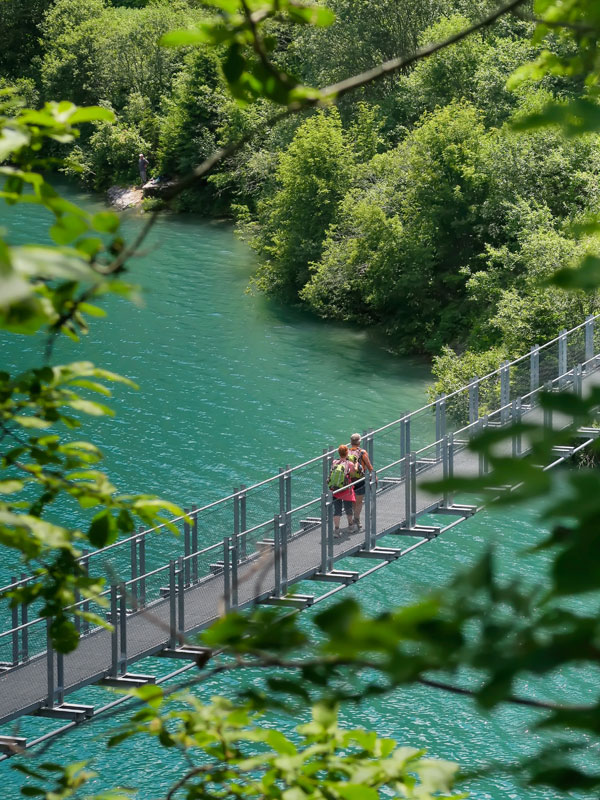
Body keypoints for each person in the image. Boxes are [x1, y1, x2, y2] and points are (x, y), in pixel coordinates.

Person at [348, 433, 375, 531]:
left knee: (352, 501)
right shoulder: (362, 452)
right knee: (359, 502)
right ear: (359, 442)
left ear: (351, 442)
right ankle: (357, 520)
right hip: (360, 480)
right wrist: (374, 477)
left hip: (349, 481)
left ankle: (351, 522)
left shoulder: (346, 452)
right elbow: (369, 466)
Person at [330, 444, 355, 537]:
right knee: (348, 508)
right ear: (347, 453)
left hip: (335, 489)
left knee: (337, 510)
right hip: (346, 489)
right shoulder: (350, 463)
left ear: (339, 453)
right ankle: (350, 527)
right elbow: (352, 474)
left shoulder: (334, 462)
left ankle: (336, 530)